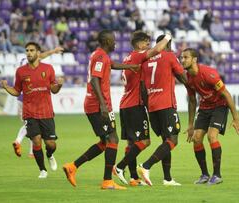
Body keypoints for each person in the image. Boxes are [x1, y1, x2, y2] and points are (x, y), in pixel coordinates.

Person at [62, 30, 138, 190]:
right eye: (113, 40)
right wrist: (103, 105)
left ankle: (73, 167)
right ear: (107, 41)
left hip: (98, 104)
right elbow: (95, 79)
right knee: (113, 140)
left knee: (106, 142)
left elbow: (113, 65)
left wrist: (131, 66)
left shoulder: (101, 56)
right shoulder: (100, 56)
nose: (115, 43)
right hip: (98, 105)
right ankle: (107, 181)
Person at [113, 31, 172, 186]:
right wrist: (167, 37)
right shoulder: (138, 55)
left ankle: (133, 178)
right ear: (139, 44)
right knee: (145, 141)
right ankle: (119, 166)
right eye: (146, 42)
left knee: (131, 144)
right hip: (135, 105)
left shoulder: (128, 57)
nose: (148, 45)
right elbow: (157, 50)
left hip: (125, 105)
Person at [0, 42, 63, 178]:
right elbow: (17, 91)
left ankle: (50, 155)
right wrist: (6, 87)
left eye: (32, 50)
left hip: (46, 112)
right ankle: (42, 170)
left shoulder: (48, 68)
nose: (29, 53)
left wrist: (59, 85)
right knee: (36, 141)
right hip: (30, 112)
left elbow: (53, 89)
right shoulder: (21, 71)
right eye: (27, 50)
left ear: (38, 53)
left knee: (51, 144)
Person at [181, 48, 239, 185]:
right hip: (204, 107)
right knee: (196, 139)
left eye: (186, 57)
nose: (183, 60)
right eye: (182, 57)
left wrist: (236, 118)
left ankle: (217, 175)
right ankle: (204, 175)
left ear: (194, 59)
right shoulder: (188, 78)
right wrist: (190, 125)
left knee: (211, 136)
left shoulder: (209, 73)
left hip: (219, 106)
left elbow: (226, 94)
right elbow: (192, 101)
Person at [137, 35, 187, 186]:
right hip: (166, 105)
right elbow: (182, 77)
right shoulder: (169, 56)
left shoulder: (145, 60)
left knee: (165, 141)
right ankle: (145, 166)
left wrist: (148, 105)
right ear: (167, 44)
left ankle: (167, 178)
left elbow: (142, 88)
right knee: (173, 140)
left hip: (152, 106)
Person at [12, 46, 64, 158]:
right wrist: (53, 51)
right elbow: (42, 56)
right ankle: (19, 141)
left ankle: (29, 149)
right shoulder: (31, 62)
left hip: (22, 94)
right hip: (29, 94)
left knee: (31, 125)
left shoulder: (21, 64)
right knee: (32, 125)